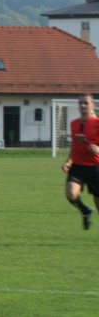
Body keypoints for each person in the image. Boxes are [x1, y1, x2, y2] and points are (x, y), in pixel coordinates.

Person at [61, 93, 99, 230]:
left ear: (93, 105)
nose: (83, 105)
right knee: (70, 193)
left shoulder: (98, 123)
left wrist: (98, 150)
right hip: (77, 166)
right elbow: (74, 146)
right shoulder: (74, 124)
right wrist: (68, 162)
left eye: (86, 103)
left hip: (95, 167)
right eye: (80, 103)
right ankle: (85, 210)